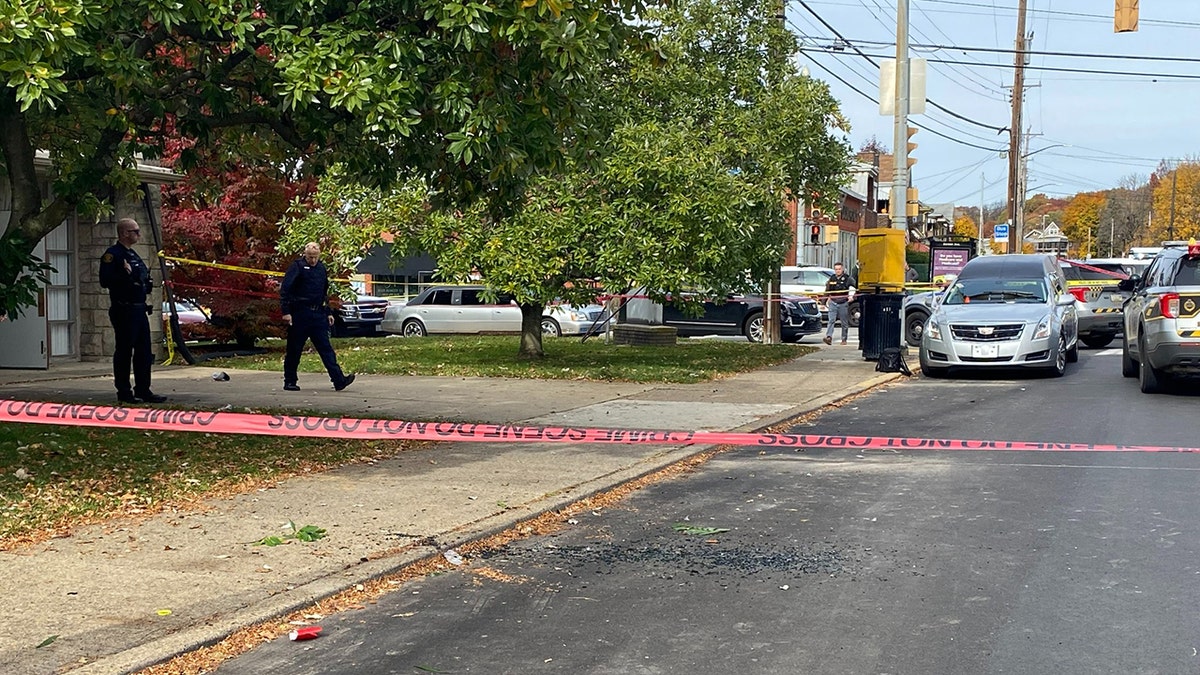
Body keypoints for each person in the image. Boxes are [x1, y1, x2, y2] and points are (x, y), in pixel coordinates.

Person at [99, 218, 167, 403]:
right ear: (124, 234)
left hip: (139, 309)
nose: (139, 234)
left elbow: (141, 278)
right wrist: (124, 274)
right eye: (135, 231)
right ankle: (124, 391)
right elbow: (105, 280)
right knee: (124, 351)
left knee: (144, 352)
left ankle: (143, 389)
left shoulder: (133, 255)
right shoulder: (112, 255)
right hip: (124, 309)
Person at [280, 242, 355, 392]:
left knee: (326, 348)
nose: (313, 260)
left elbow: (323, 292)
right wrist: (286, 312)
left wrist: (328, 312)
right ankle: (290, 381)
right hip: (300, 313)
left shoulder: (321, 268)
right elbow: (285, 290)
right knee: (294, 349)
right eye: (310, 257)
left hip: (318, 314)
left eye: (315, 257)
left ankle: (339, 380)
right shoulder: (297, 267)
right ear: (305, 254)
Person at [823, 261, 857, 346]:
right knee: (831, 320)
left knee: (844, 322)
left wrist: (851, 296)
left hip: (843, 302)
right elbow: (827, 290)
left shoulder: (847, 278)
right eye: (836, 269)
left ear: (842, 269)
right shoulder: (832, 278)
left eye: (839, 269)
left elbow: (854, 287)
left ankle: (844, 339)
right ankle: (828, 337)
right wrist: (823, 302)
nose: (837, 271)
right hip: (833, 302)